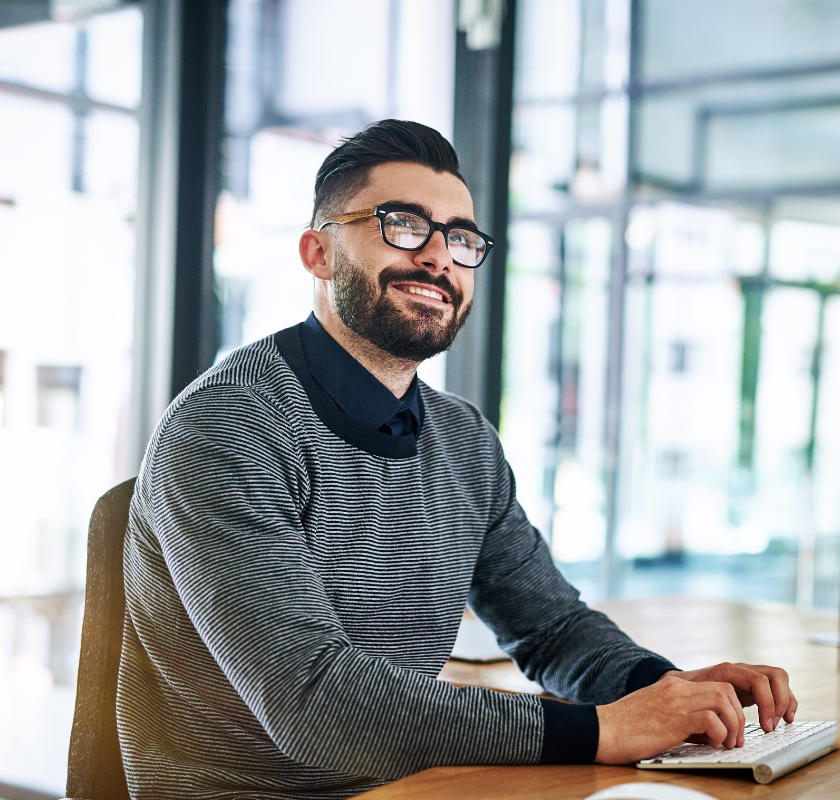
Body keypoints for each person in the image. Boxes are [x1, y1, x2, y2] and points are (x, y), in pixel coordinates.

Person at [117, 120, 799, 800]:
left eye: (461, 239)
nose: (440, 257)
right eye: (404, 225)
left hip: (414, 787)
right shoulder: (227, 424)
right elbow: (312, 700)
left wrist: (665, 692)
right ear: (318, 253)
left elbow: (553, 629)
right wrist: (599, 731)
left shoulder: (462, 439)